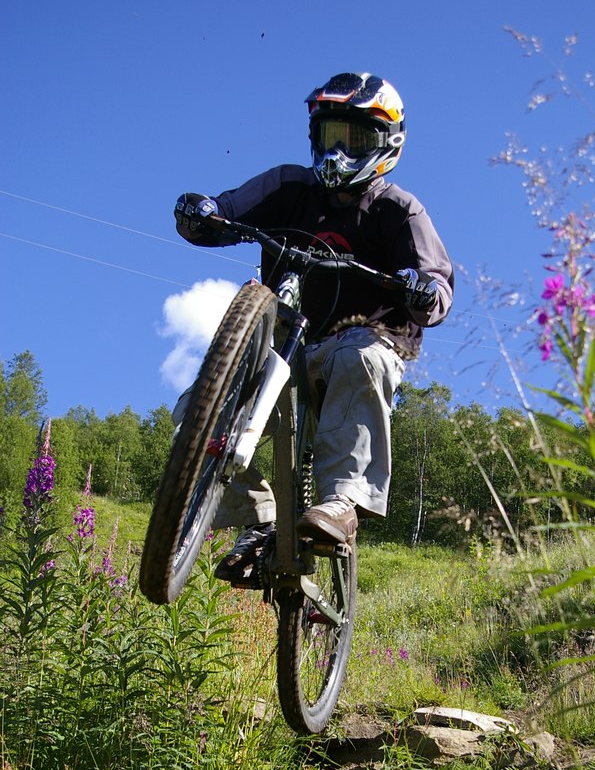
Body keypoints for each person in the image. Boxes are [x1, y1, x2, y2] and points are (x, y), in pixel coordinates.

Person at [174, 71, 454, 584]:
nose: (340, 153)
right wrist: (204, 212)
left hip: (363, 341)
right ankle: (259, 518)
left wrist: (422, 289)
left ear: (386, 143)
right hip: (285, 347)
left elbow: (436, 280)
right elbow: (229, 210)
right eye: (331, 137)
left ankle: (342, 501)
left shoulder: (398, 210)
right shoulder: (290, 186)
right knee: (199, 405)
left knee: (358, 356)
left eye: (356, 140)